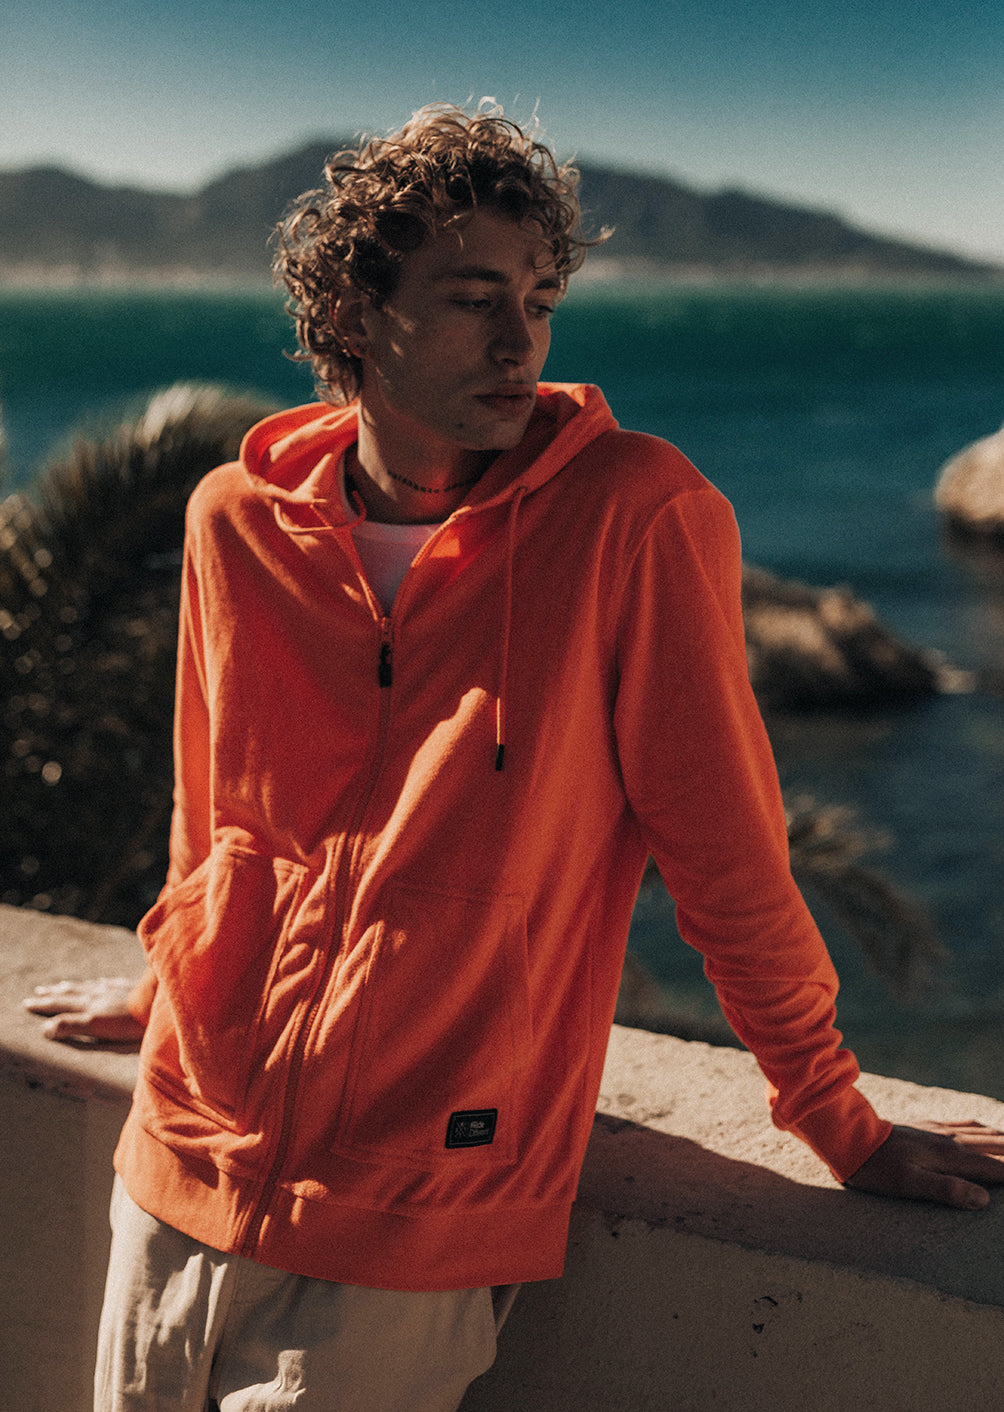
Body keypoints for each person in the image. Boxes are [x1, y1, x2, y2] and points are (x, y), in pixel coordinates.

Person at [25, 102, 1004, 1411]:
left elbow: (724, 850)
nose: (520, 341)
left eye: (538, 301)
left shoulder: (636, 517)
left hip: (420, 1201)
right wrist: (171, 979)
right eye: (474, 298)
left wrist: (838, 1117)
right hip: (181, 1148)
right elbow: (217, 819)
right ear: (357, 313)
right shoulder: (234, 523)